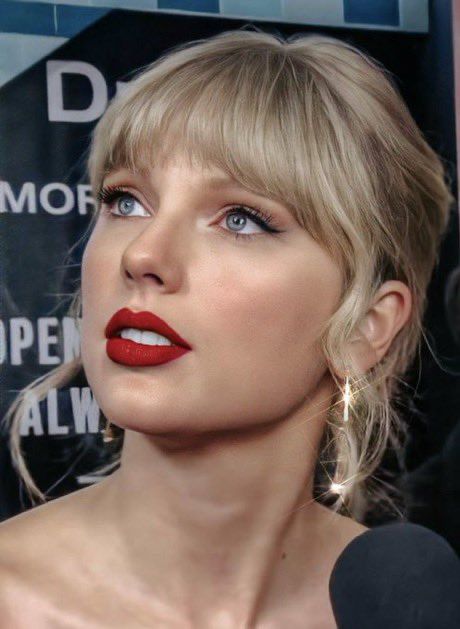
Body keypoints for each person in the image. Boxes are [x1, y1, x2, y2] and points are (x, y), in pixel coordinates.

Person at [0, 28, 453, 627]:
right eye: (125, 201)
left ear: (367, 326)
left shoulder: (405, 609)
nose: (142, 255)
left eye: (241, 218)